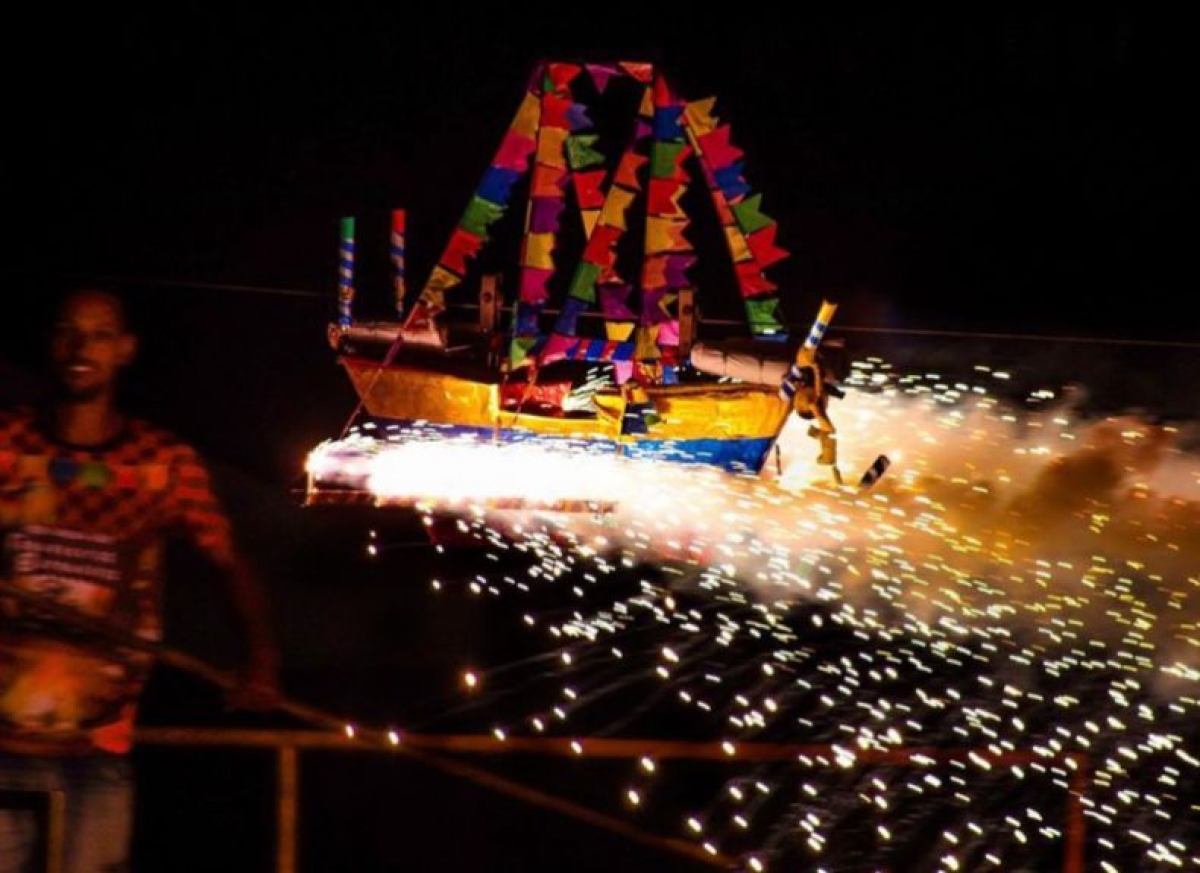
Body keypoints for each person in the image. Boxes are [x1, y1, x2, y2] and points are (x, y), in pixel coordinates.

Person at [0, 287, 280, 872]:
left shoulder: (162, 463)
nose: (82, 348)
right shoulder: (7, 446)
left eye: (100, 335)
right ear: (53, 344)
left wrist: (259, 661)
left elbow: (227, 559)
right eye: (70, 331)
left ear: (125, 350)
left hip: (99, 745)